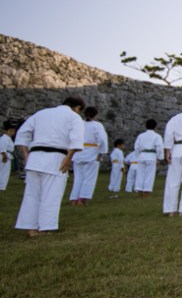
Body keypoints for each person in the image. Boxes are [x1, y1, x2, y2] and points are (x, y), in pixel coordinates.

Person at [14, 96, 85, 236]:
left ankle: (31, 228)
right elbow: (76, 140)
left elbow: (23, 132)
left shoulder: (41, 113)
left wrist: (26, 154)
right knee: (51, 194)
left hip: (34, 157)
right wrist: (68, 159)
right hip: (56, 157)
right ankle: (45, 227)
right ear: (77, 108)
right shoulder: (73, 117)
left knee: (32, 194)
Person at [68, 106, 108, 206]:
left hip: (78, 152)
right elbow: (102, 140)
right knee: (89, 177)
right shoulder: (97, 125)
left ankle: (74, 199)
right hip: (91, 153)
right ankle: (83, 198)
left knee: (78, 178)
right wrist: (100, 153)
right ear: (95, 115)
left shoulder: (79, 124)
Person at [134, 119, 163, 198]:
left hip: (142, 155)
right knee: (149, 175)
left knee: (140, 174)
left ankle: (139, 190)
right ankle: (146, 192)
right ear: (155, 127)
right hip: (151, 156)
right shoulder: (157, 136)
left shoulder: (141, 136)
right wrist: (160, 158)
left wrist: (137, 156)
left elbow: (136, 147)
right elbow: (159, 147)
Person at [0, 119, 17, 191]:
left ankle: (2, 185)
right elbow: (2, 147)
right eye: (11, 131)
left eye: (14, 131)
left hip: (8, 155)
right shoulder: (4, 138)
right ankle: (1, 186)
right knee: (3, 171)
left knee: (5, 172)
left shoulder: (8, 138)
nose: (13, 133)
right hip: (4, 155)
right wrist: (4, 155)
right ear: (8, 130)